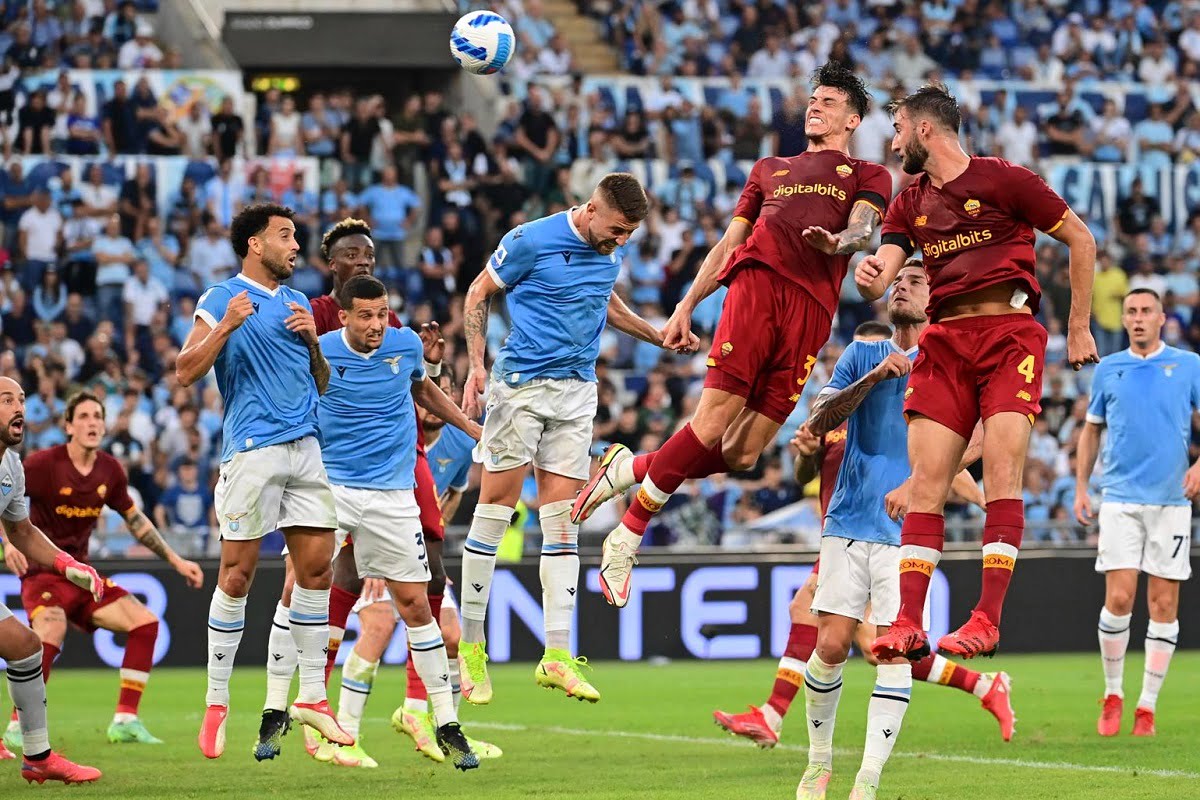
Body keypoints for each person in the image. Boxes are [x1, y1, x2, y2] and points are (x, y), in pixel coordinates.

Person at [569, 64, 893, 609]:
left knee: (742, 452)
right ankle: (627, 534)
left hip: (812, 314)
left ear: (853, 119)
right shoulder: (770, 169)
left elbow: (863, 229)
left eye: (830, 101)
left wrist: (839, 243)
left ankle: (627, 469)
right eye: (814, 98)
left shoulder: (868, 173)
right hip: (757, 290)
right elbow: (727, 245)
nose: (816, 106)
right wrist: (686, 305)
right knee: (712, 422)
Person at [856, 84, 1099, 661]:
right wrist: (869, 277)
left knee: (1003, 474)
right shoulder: (907, 204)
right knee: (927, 484)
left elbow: (1081, 239)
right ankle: (907, 624)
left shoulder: (1006, 180)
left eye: (898, 130)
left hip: (1009, 334)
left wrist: (1079, 326)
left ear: (924, 129)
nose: (893, 144)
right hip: (944, 342)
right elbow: (883, 270)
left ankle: (986, 619)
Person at [713, 319, 1013, 750]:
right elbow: (805, 476)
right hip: (842, 532)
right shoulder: (839, 415)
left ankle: (773, 715)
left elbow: (941, 466)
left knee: (833, 624)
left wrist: (984, 502)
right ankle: (984, 685)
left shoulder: (898, 410)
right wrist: (807, 454)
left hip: (887, 533)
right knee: (873, 645)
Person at [456, 172, 687, 704]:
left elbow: (606, 302)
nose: (621, 240)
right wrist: (476, 365)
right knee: (495, 510)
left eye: (629, 233)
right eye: (616, 229)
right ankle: (470, 647)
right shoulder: (530, 240)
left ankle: (556, 655)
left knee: (563, 521)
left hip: (577, 391)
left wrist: (657, 334)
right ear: (590, 209)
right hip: (521, 387)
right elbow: (478, 291)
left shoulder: (609, 250)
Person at [258, 217, 459, 764]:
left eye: (369, 255)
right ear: (332, 265)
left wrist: (433, 365)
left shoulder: (386, 322)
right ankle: (301, 703)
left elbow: (413, 387)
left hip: (398, 464)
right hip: (333, 471)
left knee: (430, 569)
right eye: (352, 254)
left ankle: (416, 707)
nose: (363, 261)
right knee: (310, 582)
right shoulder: (313, 315)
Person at [177, 203, 351, 758]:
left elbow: (322, 384)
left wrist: (315, 343)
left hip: (307, 449)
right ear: (255, 244)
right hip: (253, 450)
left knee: (317, 571)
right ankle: (217, 701)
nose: (296, 246)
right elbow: (184, 371)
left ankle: (313, 696)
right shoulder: (220, 298)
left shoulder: (298, 303)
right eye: (285, 236)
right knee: (237, 577)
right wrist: (227, 325)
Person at [315, 274, 484, 770]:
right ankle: (313, 710)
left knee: (427, 616)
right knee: (318, 598)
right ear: (344, 316)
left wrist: (469, 424)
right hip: (338, 490)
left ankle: (439, 720)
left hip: (392, 504)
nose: (377, 324)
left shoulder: (408, 353)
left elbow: (422, 387)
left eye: (382, 314)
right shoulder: (321, 351)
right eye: (366, 315)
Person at [2, 391, 203, 749]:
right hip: (43, 573)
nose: (92, 422)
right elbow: (6, 498)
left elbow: (136, 521)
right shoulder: (42, 465)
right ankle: (19, 724)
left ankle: (125, 720)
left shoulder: (110, 470)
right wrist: (7, 540)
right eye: (83, 416)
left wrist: (176, 560)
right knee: (51, 629)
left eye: (98, 416)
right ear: (68, 426)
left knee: (145, 623)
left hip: (82, 575)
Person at [1074, 288, 1199, 738]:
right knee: (1120, 599)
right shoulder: (1109, 368)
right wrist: (1081, 487)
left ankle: (1147, 706)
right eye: (1132, 311)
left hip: (1171, 501)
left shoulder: (1189, 365)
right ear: (1124, 319)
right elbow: (1091, 431)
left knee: (1163, 604)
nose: (1140, 317)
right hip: (1120, 499)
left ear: (1162, 318)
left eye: (1147, 311)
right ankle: (1113, 693)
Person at [0, 376, 103, 783]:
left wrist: (66, 564)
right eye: (6, 400)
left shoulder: (12, 466)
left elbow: (21, 530)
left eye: (21, 400)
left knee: (27, 648)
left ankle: (38, 758)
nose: (18, 407)